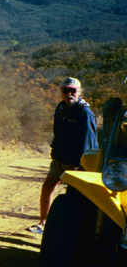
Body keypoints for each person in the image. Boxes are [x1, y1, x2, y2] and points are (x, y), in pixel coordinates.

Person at [28, 77, 98, 234]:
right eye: (65, 90)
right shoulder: (61, 108)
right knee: (47, 188)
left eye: (73, 90)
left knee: (75, 197)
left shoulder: (85, 113)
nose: (69, 94)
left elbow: (89, 142)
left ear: (79, 92)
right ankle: (43, 223)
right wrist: (55, 151)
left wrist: (81, 165)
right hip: (60, 158)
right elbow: (57, 131)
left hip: (76, 163)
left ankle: (73, 232)